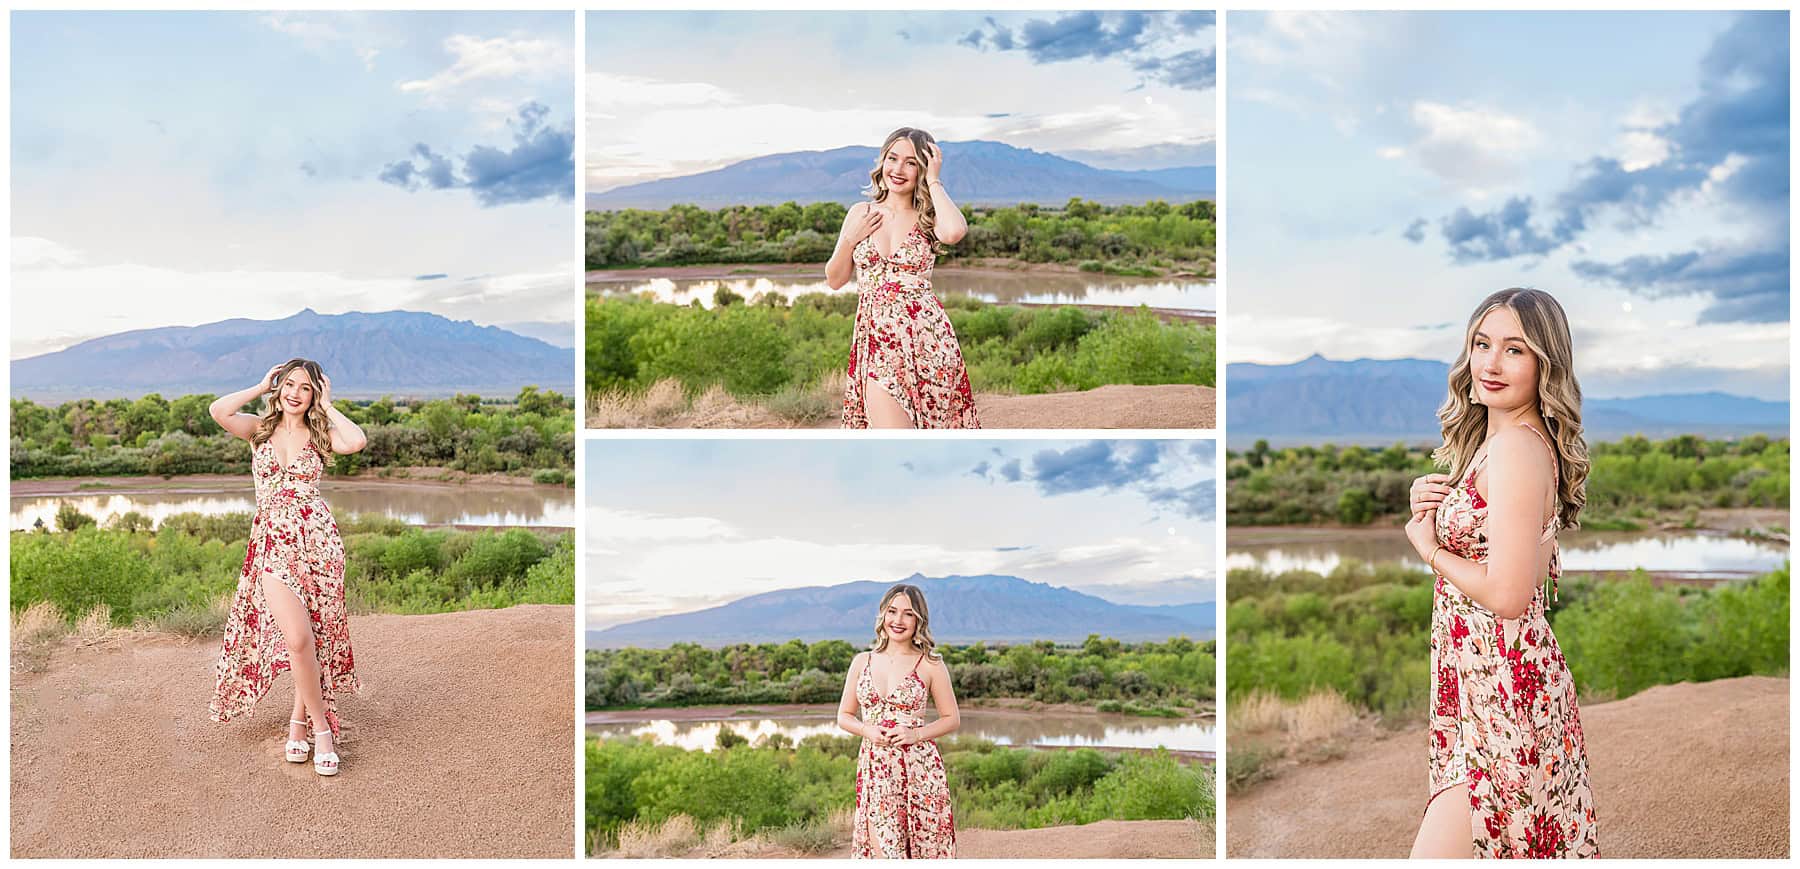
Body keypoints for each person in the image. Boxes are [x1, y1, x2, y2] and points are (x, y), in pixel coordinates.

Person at [1405, 289, 1599, 858]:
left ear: (1546, 363)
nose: (1490, 364)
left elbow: (1510, 594)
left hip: (1504, 691)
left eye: (1515, 350)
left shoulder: (1516, 447)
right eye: (1482, 344)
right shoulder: (1502, 442)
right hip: (1487, 683)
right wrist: (1432, 507)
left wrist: (1429, 549)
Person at [207, 359, 367, 776]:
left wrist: (330, 407)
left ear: (315, 395)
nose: (296, 393)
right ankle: (323, 729)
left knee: (311, 638)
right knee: (296, 639)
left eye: (307, 388)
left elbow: (357, 441)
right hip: (273, 544)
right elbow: (219, 411)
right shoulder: (258, 430)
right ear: (279, 389)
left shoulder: (321, 434)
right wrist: (259, 386)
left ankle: (297, 723)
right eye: (289, 384)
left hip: (318, 545)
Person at [828, 127, 981, 429]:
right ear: (882, 160)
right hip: (878, 342)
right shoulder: (861, 212)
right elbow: (834, 279)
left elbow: (954, 232)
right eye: (893, 158)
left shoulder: (929, 216)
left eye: (911, 162)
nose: (898, 169)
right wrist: (850, 239)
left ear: (921, 169)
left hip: (929, 340)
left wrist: (934, 180)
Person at [836, 583, 961, 858]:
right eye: (892, 611)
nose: (898, 620)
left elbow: (952, 718)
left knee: (924, 851)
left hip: (920, 769)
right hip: (877, 769)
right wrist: (866, 730)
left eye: (908, 614)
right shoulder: (862, 661)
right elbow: (843, 716)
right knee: (884, 851)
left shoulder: (931, 664)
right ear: (883, 615)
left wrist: (915, 734)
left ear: (919, 620)